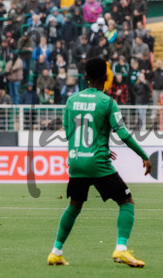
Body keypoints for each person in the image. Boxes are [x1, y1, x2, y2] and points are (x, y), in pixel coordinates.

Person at [48, 57, 152, 267]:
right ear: (106, 78)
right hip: (97, 163)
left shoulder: (71, 101)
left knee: (74, 206)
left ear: (85, 77)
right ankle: (121, 249)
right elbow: (122, 133)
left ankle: (56, 252)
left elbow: (70, 133)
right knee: (126, 201)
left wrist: (89, 149)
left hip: (76, 162)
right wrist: (144, 155)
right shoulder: (107, 102)